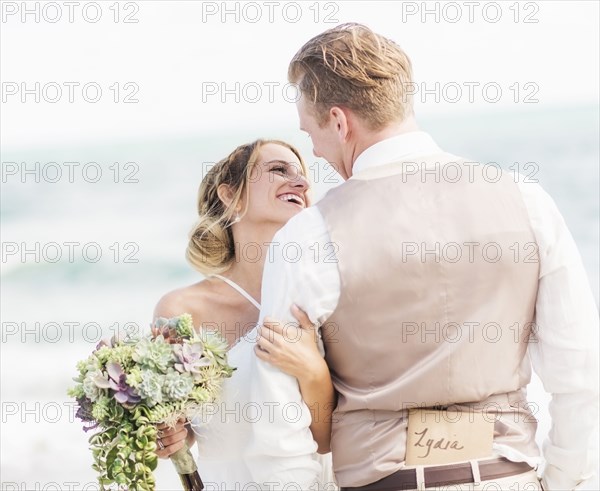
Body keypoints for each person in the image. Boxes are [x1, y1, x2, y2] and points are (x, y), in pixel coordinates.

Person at [247, 23, 599, 490]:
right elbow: (580, 373)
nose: (313, 149)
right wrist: (562, 481)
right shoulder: (526, 200)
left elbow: (280, 424)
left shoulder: (308, 237)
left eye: (310, 132)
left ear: (338, 121)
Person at [152, 139, 337, 488]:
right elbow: (179, 427)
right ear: (231, 196)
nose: (301, 183)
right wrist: (171, 435)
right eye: (278, 170)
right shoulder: (181, 311)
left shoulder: (321, 296)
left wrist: (313, 370)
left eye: (302, 174)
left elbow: (327, 438)